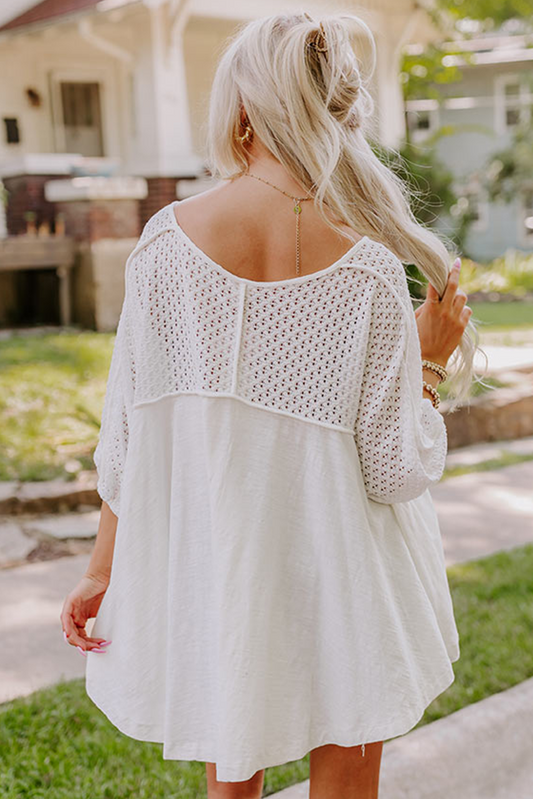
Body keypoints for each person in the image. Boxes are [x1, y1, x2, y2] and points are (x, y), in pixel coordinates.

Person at [60, 11, 478, 799]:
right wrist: (426, 363)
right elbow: (393, 471)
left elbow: (126, 439)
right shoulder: (366, 267)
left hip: (226, 569)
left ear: (244, 109)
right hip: (347, 575)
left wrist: (100, 568)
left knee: (231, 776)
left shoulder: (163, 246)